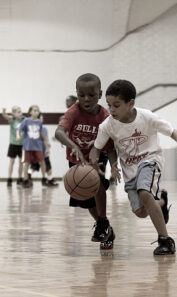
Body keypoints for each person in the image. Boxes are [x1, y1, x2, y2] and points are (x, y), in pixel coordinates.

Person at [90, 79, 177, 255]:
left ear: (131, 103)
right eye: (109, 105)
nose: (111, 109)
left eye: (116, 105)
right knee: (141, 212)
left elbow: (173, 131)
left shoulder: (147, 117)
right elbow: (96, 149)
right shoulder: (107, 125)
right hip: (129, 171)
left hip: (151, 160)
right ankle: (162, 200)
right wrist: (95, 165)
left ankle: (165, 240)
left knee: (145, 192)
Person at [55, 73, 116, 250]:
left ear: (100, 94)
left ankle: (103, 221)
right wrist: (72, 145)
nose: (86, 99)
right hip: (76, 161)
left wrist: (113, 165)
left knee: (97, 185)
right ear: (77, 94)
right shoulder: (73, 111)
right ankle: (104, 227)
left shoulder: (105, 116)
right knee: (86, 198)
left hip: (98, 158)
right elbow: (59, 132)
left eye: (91, 95)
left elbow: (111, 147)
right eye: (81, 95)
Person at [18, 105, 50, 188]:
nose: (36, 112)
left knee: (42, 162)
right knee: (26, 163)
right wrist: (18, 135)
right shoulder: (26, 121)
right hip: (27, 147)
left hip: (37, 146)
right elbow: (19, 130)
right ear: (30, 112)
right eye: (34, 110)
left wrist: (46, 142)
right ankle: (25, 180)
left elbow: (41, 133)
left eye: (37, 110)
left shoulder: (39, 122)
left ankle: (43, 179)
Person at [29, 115, 58, 187]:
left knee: (34, 165)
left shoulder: (32, 128)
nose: (42, 120)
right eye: (41, 118)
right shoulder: (43, 128)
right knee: (47, 165)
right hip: (42, 150)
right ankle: (49, 179)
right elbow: (45, 139)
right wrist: (47, 148)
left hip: (35, 150)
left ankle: (28, 175)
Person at [2, 106, 24, 187]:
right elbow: (6, 116)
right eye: (18, 112)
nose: (20, 113)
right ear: (13, 114)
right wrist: (4, 112)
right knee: (12, 162)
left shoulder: (23, 120)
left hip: (22, 145)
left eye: (20, 111)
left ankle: (19, 178)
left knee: (21, 162)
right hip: (13, 144)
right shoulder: (12, 120)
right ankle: (9, 178)